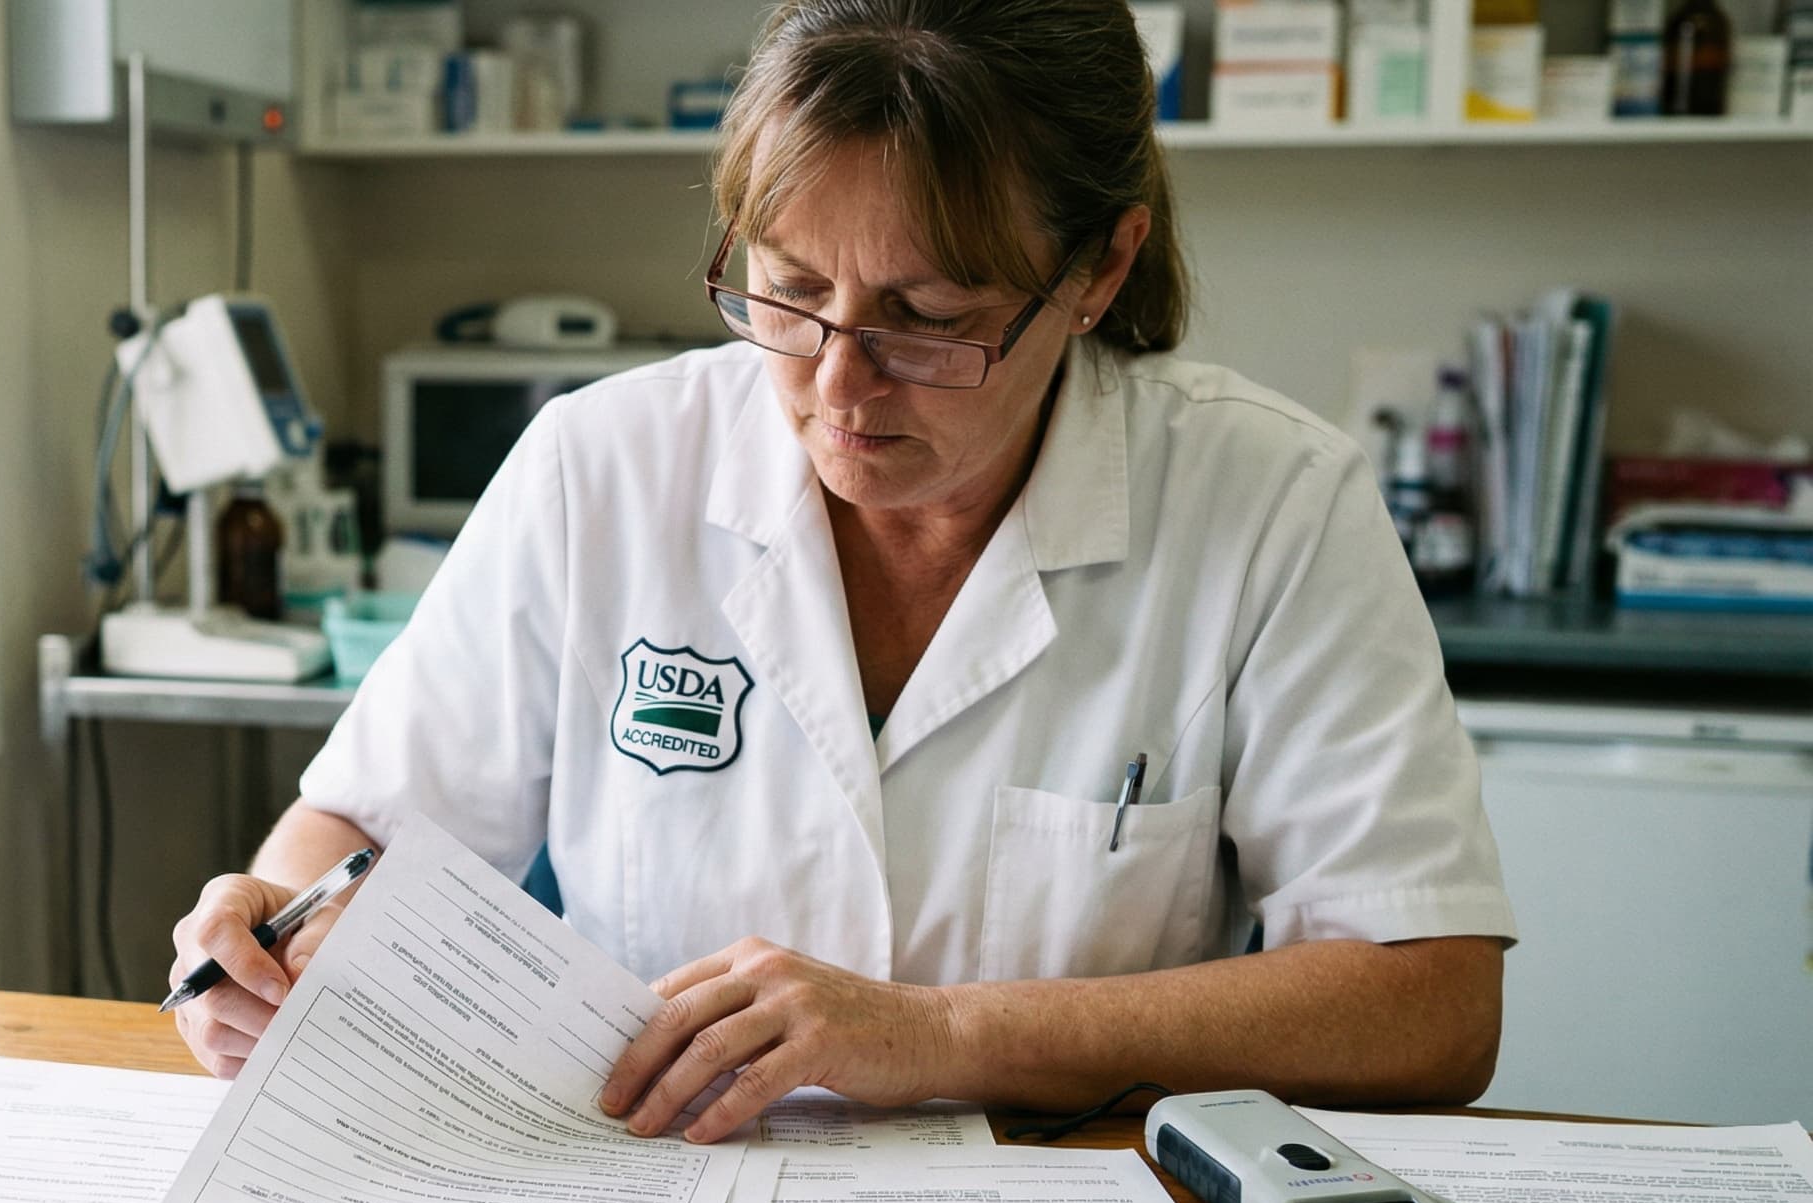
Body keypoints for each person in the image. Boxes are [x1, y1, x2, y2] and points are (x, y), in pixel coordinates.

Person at [165, 0, 1516, 1143]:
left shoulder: (1270, 501)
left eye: (929, 320)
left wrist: (936, 1032)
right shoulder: (603, 466)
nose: (837, 384)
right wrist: (265, 930)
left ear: (1101, 268)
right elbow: (365, 834)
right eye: (789, 287)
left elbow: (1432, 1008)